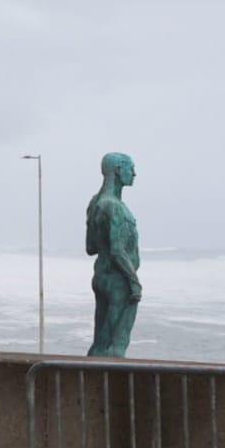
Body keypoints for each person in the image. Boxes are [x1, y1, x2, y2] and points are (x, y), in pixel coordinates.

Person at [86, 152, 142, 357]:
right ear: (118, 170)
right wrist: (134, 280)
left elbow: (90, 247)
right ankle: (110, 383)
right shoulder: (115, 207)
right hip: (119, 279)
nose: (135, 174)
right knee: (117, 342)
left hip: (101, 276)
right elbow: (118, 251)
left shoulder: (95, 203)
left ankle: (91, 379)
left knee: (101, 340)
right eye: (131, 168)